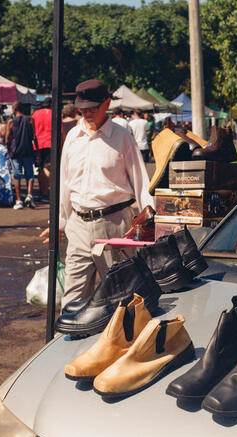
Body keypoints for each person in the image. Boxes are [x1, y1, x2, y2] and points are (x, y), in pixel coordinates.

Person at [40, 79, 153, 306]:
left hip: (115, 226)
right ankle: (70, 339)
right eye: (83, 108)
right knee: (72, 300)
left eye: (93, 107)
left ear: (107, 103)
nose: (88, 113)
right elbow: (65, 183)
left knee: (122, 297)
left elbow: (141, 180)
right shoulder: (72, 137)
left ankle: (121, 339)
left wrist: (150, 219)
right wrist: (60, 223)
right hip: (79, 226)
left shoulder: (122, 137)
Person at [6, 102, 37, 209]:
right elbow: (34, 136)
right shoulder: (30, 120)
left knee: (17, 175)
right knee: (30, 175)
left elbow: (7, 138)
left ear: (14, 109)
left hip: (15, 151)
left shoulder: (11, 122)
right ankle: (29, 195)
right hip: (28, 150)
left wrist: (8, 149)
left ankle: (19, 200)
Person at [32, 97, 52, 199]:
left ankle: (41, 190)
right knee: (48, 167)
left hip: (38, 144)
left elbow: (32, 129)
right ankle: (46, 189)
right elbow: (61, 131)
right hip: (50, 143)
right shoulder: (54, 114)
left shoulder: (36, 114)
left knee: (39, 168)